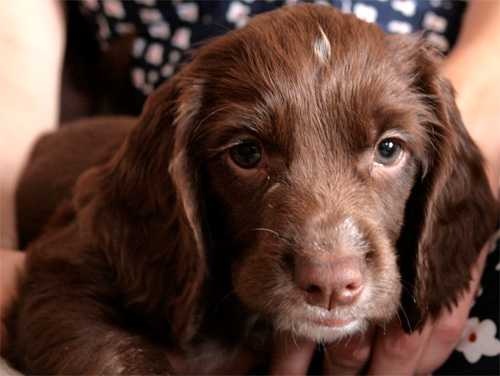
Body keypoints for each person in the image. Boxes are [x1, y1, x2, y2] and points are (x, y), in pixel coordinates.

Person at [1, 0, 499, 373]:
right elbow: (56, 294)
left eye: (387, 150)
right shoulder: (149, 211)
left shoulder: (429, 121)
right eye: (246, 154)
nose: (332, 269)